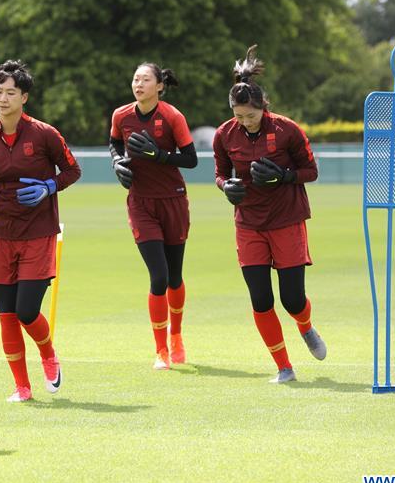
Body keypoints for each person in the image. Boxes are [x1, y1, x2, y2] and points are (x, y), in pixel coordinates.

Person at [0, 59, 80, 402]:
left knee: (27, 311)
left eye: (11, 92)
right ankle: (21, 387)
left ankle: (48, 354)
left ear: (24, 97)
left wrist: (48, 187)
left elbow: (72, 170)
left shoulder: (44, 134)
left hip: (38, 234)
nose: (3, 98)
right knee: (6, 315)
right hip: (0, 235)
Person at [212, 45, 326, 384]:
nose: (245, 122)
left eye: (251, 115)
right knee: (261, 299)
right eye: (239, 116)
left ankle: (304, 326)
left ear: (262, 106)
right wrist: (226, 186)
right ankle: (284, 367)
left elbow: (311, 171)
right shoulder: (224, 134)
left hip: (287, 219)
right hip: (248, 223)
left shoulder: (287, 130)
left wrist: (285, 176)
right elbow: (220, 172)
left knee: (291, 300)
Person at [109, 63, 197, 370]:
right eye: (135, 79)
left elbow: (191, 159)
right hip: (141, 203)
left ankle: (177, 336)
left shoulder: (172, 116)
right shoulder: (121, 115)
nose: (139, 84)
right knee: (158, 277)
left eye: (146, 79)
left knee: (174, 277)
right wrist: (118, 162)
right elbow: (115, 142)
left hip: (173, 200)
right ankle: (161, 350)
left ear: (159, 86)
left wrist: (159, 156)